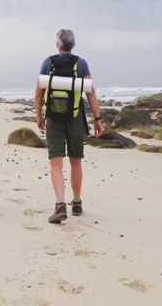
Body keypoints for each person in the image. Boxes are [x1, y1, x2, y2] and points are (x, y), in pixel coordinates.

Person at [34, 29, 104, 224]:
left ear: (58, 44)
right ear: (72, 45)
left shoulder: (48, 63)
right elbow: (91, 93)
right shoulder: (81, 64)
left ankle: (60, 204)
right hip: (75, 118)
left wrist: (39, 116)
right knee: (76, 160)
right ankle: (78, 202)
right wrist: (98, 119)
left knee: (56, 163)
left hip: (54, 119)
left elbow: (38, 93)